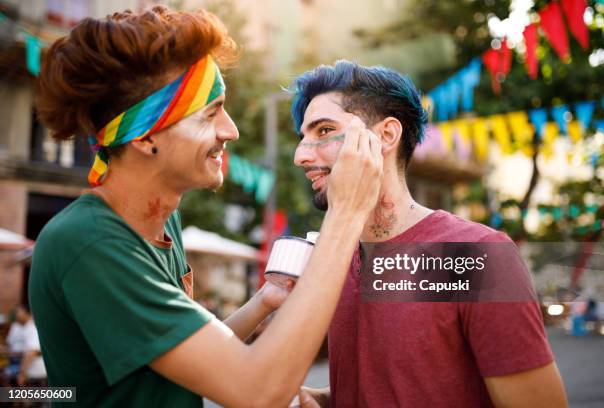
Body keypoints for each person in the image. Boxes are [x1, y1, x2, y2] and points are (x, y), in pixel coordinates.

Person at [29, 7, 383, 407]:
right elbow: (256, 391)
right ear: (146, 137)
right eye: (211, 112)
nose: (229, 130)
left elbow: (191, 359)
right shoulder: (89, 243)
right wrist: (345, 215)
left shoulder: (163, 220)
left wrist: (266, 300)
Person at [290, 61, 568, 407]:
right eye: (303, 138)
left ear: (386, 136)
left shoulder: (474, 255)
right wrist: (328, 400)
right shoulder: (333, 261)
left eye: (324, 131)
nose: (301, 155)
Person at [3, 305, 47, 387]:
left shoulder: (33, 328)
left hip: (33, 370)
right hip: (21, 365)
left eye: (18, 312)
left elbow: (32, 352)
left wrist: (22, 373)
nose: (16, 314)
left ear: (28, 314)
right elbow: (10, 345)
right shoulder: (18, 326)